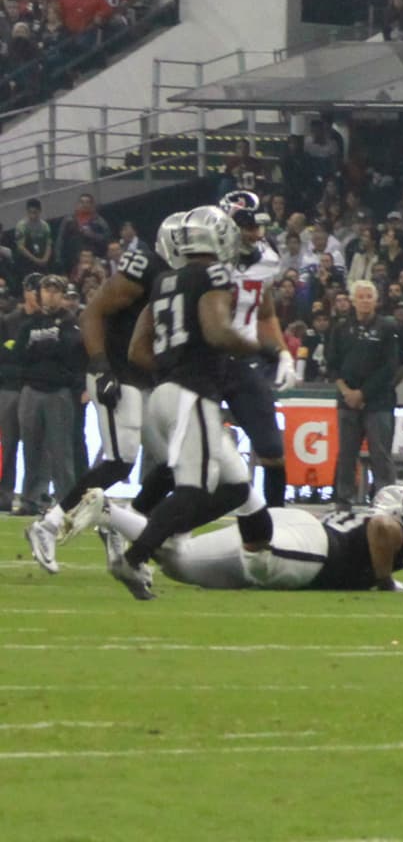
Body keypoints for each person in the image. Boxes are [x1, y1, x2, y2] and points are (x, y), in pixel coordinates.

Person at [121, 206, 278, 601]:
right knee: (192, 488)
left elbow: (137, 349)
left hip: (165, 392)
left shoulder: (164, 281)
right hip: (192, 394)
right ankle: (135, 552)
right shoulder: (215, 274)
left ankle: (155, 535)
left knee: (235, 487)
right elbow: (217, 330)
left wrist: (173, 367)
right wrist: (261, 347)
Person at [23, 214, 183, 574]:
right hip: (116, 371)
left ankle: (118, 521)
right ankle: (47, 525)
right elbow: (92, 313)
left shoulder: (186, 275)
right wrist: (100, 366)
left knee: (175, 463)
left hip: (144, 377)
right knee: (120, 460)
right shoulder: (145, 266)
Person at [71, 485, 403, 592]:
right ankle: (239, 488)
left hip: (301, 528)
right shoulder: (387, 524)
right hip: (314, 549)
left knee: (179, 561)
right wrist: (386, 582)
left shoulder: (359, 515)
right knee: (183, 560)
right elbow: (381, 528)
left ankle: (110, 514)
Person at [218, 191, 297, 509]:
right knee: (187, 455)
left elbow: (265, 313)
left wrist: (283, 352)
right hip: (205, 359)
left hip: (244, 360)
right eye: (247, 225)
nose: (256, 233)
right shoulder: (206, 254)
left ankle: (278, 525)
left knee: (272, 451)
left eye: (257, 225)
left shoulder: (266, 256)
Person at [328, 280, 401, 512]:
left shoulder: (388, 327)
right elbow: (333, 365)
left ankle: (386, 500)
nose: (365, 300)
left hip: (378, 401)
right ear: (352, 300)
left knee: (380, 453)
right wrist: (346, 392)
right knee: (347, 452)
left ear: (376, 300)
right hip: (347, 400)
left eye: (369, 296)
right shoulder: (340, 328)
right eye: (361, 296)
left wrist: (364, 393)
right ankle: (343, 499)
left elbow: (391, 367)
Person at [15, 275, 80, 525]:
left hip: (58, 391)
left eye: (55, 291)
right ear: (40, 293)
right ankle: (31, 499)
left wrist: (39, 350)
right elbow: (20, 353)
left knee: (61, 450)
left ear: (62, 295)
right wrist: (46, 350)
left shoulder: (69, 322)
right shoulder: (29, 323)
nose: (50, 295)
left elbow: (69, 352)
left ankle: (67, 501)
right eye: (46, 290)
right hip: (31, 389)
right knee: (30, 449)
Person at [0, 275, 38, 514]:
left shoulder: (48, 322)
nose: (36, 295)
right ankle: (5, 494)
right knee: (8, 444)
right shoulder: (9, 321)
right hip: (11, 389)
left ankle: (32, 496)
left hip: (35, 388)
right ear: (25, 292)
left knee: (35, 446)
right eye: (32, 290)